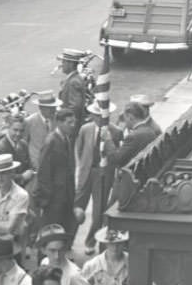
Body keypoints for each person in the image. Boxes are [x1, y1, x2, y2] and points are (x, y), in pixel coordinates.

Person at [74, 100, 122, 255]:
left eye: (102, 116)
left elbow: (116, 155)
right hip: (87, 172)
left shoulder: (115, 132)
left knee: (98, 210)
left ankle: (90, 241)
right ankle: (69, 240)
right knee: (76, 208)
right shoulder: (85, 129)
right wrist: (83, 167)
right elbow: (80, 150)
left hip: (103, 175)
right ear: (93, 116)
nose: (99, 118)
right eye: (96, 115)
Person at [33, 106, 83, 239]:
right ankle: (44, 258)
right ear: (59, 122)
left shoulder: (66, 139)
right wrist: (46, 199)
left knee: (61, 230)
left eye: (74, 122)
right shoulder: (51, 141)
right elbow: (43, 172)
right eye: (69, 122)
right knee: (50, 233)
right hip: (53, 199)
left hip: (65, 197)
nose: (73, 126)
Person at [102, 100, 160, 170]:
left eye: (125, 118)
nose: (125, 122)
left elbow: (116, 159)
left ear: (130, 117)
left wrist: (108, 139)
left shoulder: (133, 136)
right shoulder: (150, 130)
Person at [0, 113, 34, 190]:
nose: (18, 134)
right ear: (8, 128)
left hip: (21, 190)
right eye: (15, 130)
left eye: (21, 131)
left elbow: (29, 167)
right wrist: (22, 177)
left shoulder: (23, 144)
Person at [24, 91, 57, 179]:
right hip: (36, 166)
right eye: (50, 108)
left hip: (54, 164)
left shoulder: (56, 120)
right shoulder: (29, 122)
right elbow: (24, 143)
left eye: (54, 107)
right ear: (41, 108)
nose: (53, 110)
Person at [57, 49, 87, 134]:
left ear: (70, 64)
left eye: (64, 62)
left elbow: (74, 107)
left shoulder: (73, 82)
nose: (62, 64)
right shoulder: (75, 78)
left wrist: (66, 122)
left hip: (70, 127)